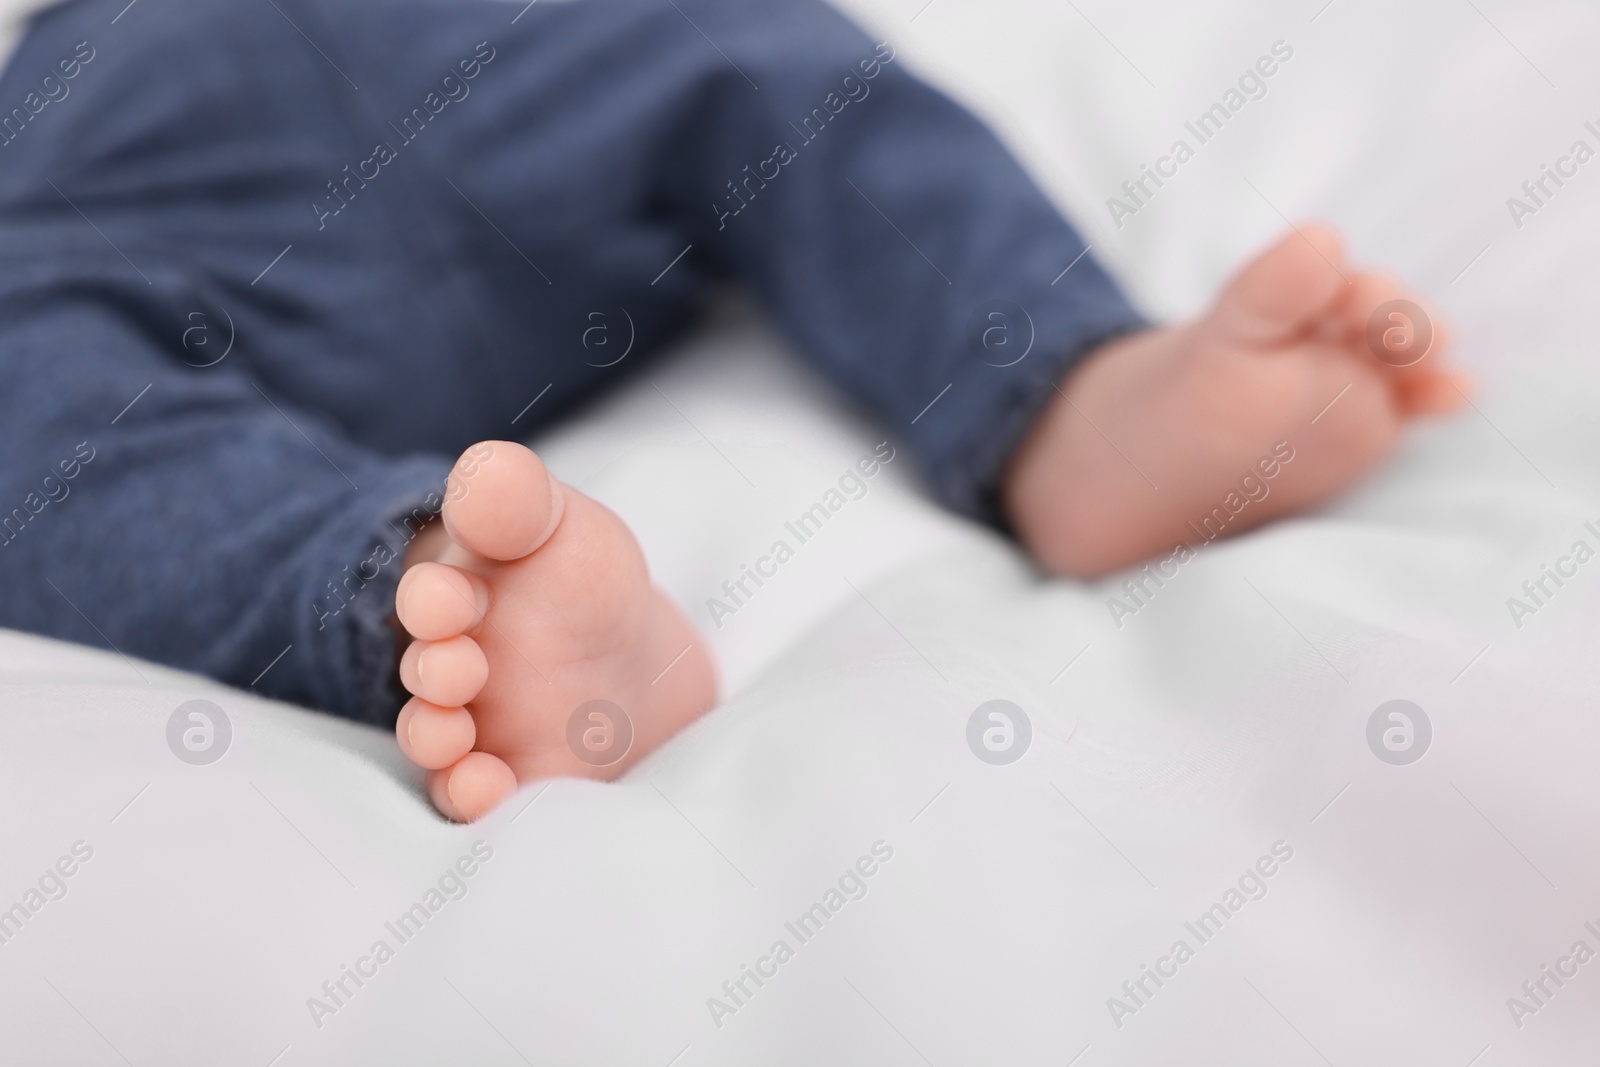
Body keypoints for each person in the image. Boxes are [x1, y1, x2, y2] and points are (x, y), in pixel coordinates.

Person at [0, 0, 1465, 819]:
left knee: (776, 71)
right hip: (127, 175)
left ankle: (1073, 396)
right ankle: (426, 591)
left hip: (523, 52)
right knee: (26, 391)